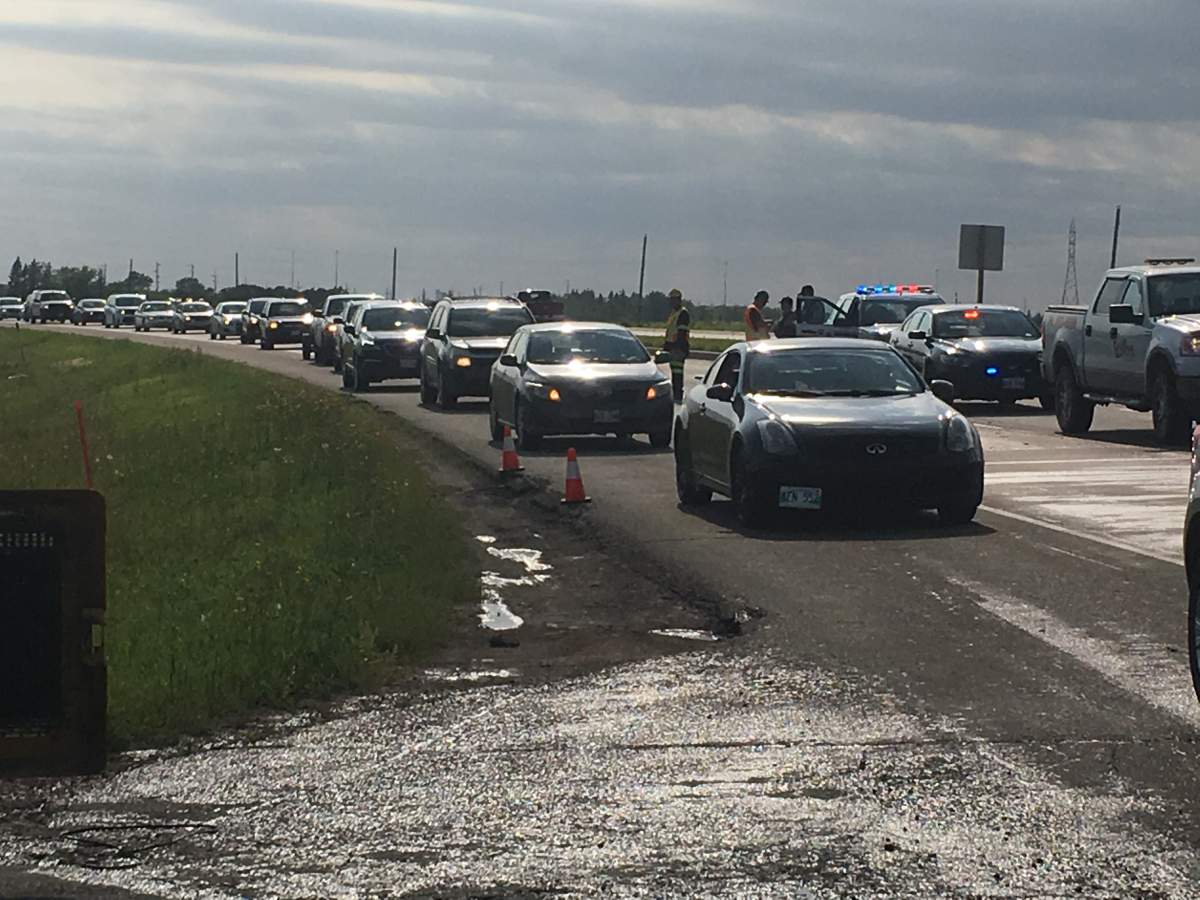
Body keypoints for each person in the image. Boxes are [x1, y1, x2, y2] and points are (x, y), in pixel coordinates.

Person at [662, 288, 691, 403]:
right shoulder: (673, 314)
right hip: (672, 347)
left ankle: (678, 395)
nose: (672, 302)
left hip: (678, 347)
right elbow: (670, 332)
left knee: (678, 372)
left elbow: (682, 332)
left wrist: (679, 348)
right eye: (671, 300)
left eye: (674, 300)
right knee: (674, 371)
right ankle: (676, 393)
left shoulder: (683, 313)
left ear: (679, 300)